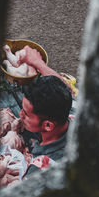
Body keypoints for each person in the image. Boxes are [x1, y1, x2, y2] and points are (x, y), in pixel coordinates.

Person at [17, 46, 74, 176]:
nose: (20, 115)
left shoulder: (40, 168)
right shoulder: (75, 113)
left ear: (48, 125)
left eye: (26, 114)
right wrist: (37, 62)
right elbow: (64, 88)